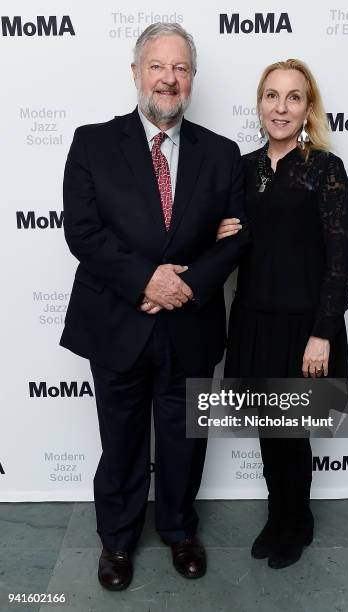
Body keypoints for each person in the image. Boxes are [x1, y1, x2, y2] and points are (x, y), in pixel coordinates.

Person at [60, 22, 249, 590]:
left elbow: (236, 238)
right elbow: (84, 233)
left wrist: (183, 286)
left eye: (181, 68)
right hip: (119, 320)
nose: (169, 79)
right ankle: (116, 541)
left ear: (192, 79)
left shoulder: (221, 153)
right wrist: (147, 281)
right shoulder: (92, 142)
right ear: (137, 72)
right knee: (119, 439)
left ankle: (178, 529)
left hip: (189, 325)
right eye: (158, 67)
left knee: (182, 438)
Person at [218, 59, 348, 569]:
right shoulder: (244, 167)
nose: (281, 107)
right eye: (272, 96)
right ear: (259, 104)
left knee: (292, 432)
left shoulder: (325, 168)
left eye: (293, 97)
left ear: (307, 108)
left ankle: (295, 519)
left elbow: (340, 260)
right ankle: (280, 515)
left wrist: (322, 333)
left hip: (303, 325)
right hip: (252, 317)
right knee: (267, 429)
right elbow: (234, 239)